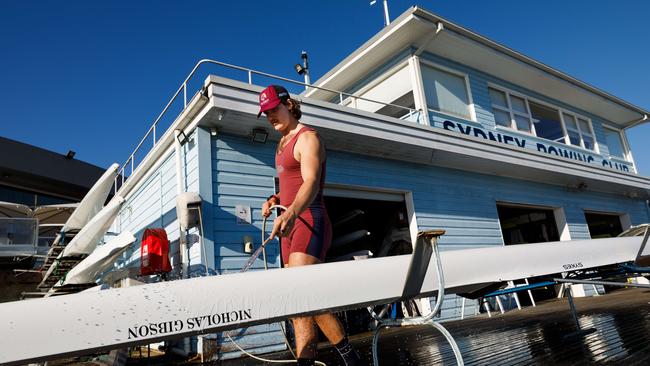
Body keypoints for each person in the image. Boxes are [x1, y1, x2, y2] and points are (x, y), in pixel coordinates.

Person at [258, 85, 361, 366]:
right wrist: (274, 199)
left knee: (303, 297)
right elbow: (290, 186)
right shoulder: (280, 145)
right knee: (298, 303)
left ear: (288, 104)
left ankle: (350, 359)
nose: (270, 117)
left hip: (309, 220)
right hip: (290, 225)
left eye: (273, 110)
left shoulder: (308, 138)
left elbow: (311, 182)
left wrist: (290, 213)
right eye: (265, 113)